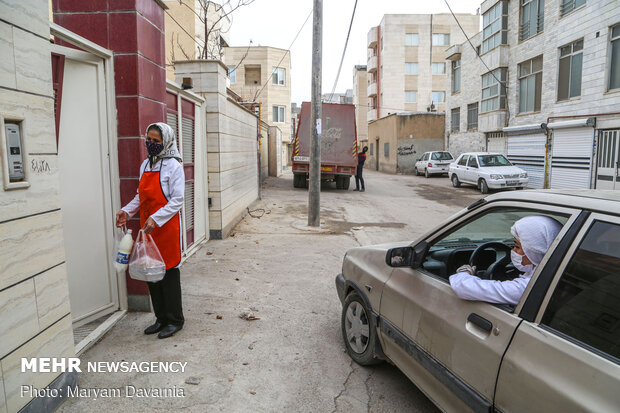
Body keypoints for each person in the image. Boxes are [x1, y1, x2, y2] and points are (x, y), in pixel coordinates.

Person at [115, 122, 185, 339]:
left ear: (166, 142)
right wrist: (127, 211)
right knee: (151, 273)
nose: (151, 144)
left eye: (156, 141)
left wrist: (156, 218)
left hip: (165, 228)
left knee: (168, 273)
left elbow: (177, 200)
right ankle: (160, 318)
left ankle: (175, 320)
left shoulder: (174, 166)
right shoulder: (145, 165)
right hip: (149, 229)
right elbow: (140, 196)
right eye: (148, 140)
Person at [449, 215, 563, 306]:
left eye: (517, 246)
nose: (513, 251)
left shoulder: (528, 287)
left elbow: (463, 287)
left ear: (534, 251)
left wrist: (464, 272)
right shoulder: (553, 273)